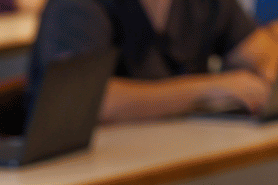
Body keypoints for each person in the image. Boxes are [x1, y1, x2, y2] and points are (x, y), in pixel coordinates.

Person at [28, 0, 278, 122]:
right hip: (94, 177)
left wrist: (266, 70)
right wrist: (211, 89)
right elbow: (86, 101)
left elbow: (258, 53)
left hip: (180, 161)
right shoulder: (77, 7)